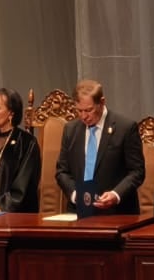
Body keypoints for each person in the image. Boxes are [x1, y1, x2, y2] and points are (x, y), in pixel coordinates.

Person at [54, 79, 145, 215]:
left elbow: (137, 172)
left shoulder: (124, 128)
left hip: (115, 212)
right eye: (79, 111)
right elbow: (62, 171)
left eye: (89, 110)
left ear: (102, 102)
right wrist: (75, 194)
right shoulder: (70, 130)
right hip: (79, 212)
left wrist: (116, 194)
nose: (84, 116)